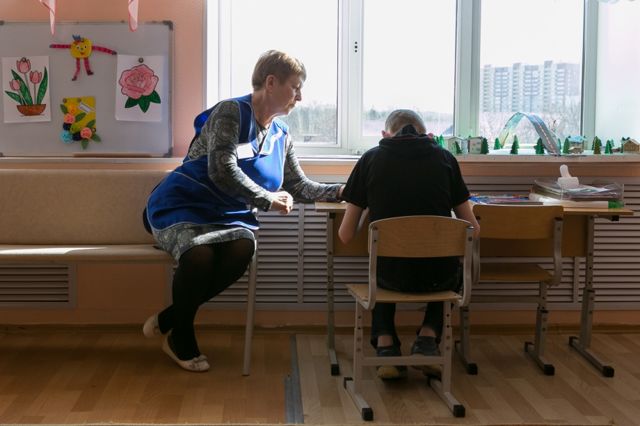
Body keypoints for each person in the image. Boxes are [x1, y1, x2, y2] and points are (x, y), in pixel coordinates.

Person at [143, 50, 343, 372]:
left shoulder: (281, 135)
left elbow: (299, 186)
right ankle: (182, 335)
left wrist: (341, 192)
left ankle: (171, 318)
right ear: (271, 82)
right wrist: (267, 199)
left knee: (242, 248)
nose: (300, 97)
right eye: (295, 87)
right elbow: (221, 169)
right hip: (183, 205)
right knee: (198, 254)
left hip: (228, 215)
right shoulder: (231, 112)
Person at [338, 109, 479, 380]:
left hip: (389, 279)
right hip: (439, 279)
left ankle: (385, 345)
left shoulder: (370, 159)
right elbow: (473, 230)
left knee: (382, 262)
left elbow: (345, 235)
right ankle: (427, 339)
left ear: (384, 135)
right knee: (454, 268)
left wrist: (370, 206)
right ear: (429, 135)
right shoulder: (446, 158)